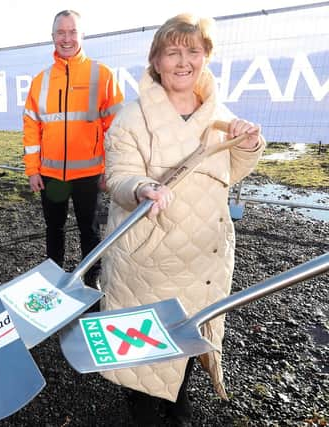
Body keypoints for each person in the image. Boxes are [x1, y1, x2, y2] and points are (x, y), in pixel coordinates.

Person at [100, 14, 265, 426]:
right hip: (148, 246)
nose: (183, 60)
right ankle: (140, 403)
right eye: (172, 52)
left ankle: (178, 397)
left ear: (205, 57)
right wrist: (140, 188)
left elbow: (229, 172)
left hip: (201, 248)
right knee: (141, 331)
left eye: (193, 51)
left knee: (191, 323)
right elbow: (118, 174)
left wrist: (249, 144)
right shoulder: (131, 117)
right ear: (156, 61)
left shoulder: (218, 115)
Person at [23, 10, 124, 289]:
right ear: (53, 36)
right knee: (53, 230)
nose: (66, 38)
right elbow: (32, 127)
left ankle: (91, 283)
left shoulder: (101, 75)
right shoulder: (40, 81)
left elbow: (116, 128)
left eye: (72, 32)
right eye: (61, 32)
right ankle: (52, 282)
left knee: (89, 230)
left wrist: (110, 170)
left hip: (89, 174)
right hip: (51, 174)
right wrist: (33, 170)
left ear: (82, 35)